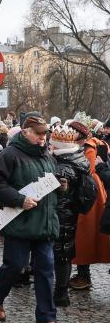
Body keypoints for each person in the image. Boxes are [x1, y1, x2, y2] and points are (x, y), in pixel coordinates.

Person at [0, 115, 67, 323]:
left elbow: (50, 186)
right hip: (20, 222)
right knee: (14, 265)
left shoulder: (47, 155)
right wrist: (18, 199)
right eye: (38, 134)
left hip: (45, 224)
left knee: (45, 271)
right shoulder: (9, 154)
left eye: (44, 134)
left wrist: (61, 186)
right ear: (25, 132)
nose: (43, 138)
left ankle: (46, 318)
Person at [49, 123, 97, 307]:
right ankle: (61, 293)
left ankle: (60, 294)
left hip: (60, 214)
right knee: (65, 252)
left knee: (60, 253)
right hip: (71, 213)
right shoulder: (79, 159)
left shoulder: (62, 167)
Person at [69, 113, 110, 290]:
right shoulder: (98, 144)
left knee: (84, 236)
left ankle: (84, 276)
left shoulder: (90, 147)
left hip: (89, 194)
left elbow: (89, 170)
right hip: (95, 192)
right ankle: (82, 274)